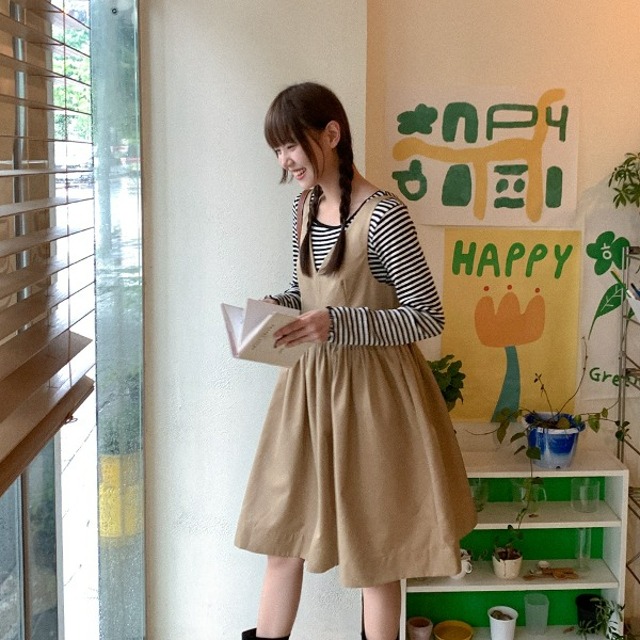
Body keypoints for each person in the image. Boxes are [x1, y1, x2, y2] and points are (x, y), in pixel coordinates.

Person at [235, 82, 476, 640]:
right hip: (308, 394)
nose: (284, 160)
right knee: (281, 539)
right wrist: (275, 309)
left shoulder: (385, 214)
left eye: (290, 145)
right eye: (277, 150)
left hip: (374, 400)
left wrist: (338, 323)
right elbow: (311, 295)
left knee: (378, 555)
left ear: (331, 134)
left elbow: (426, 316)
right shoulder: (302, 208)